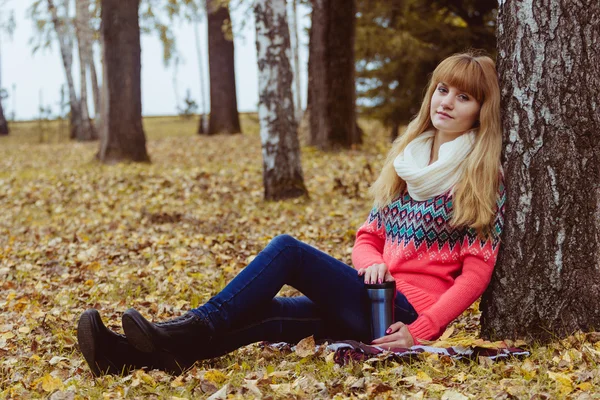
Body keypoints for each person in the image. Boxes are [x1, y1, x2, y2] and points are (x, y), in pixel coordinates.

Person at [77, 51, 506, 376]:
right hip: (369, 296)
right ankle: (129, 357)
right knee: (266, 315)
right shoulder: (408, 160)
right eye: (442, 90)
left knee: (288, 251)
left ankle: (186, 327)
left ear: (479, 111)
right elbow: (368, 238)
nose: (447, 102)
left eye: (463, 96)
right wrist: (371, 262)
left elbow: (475, 274)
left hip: (406, 314)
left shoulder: (480, 176)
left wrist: (423, 328)